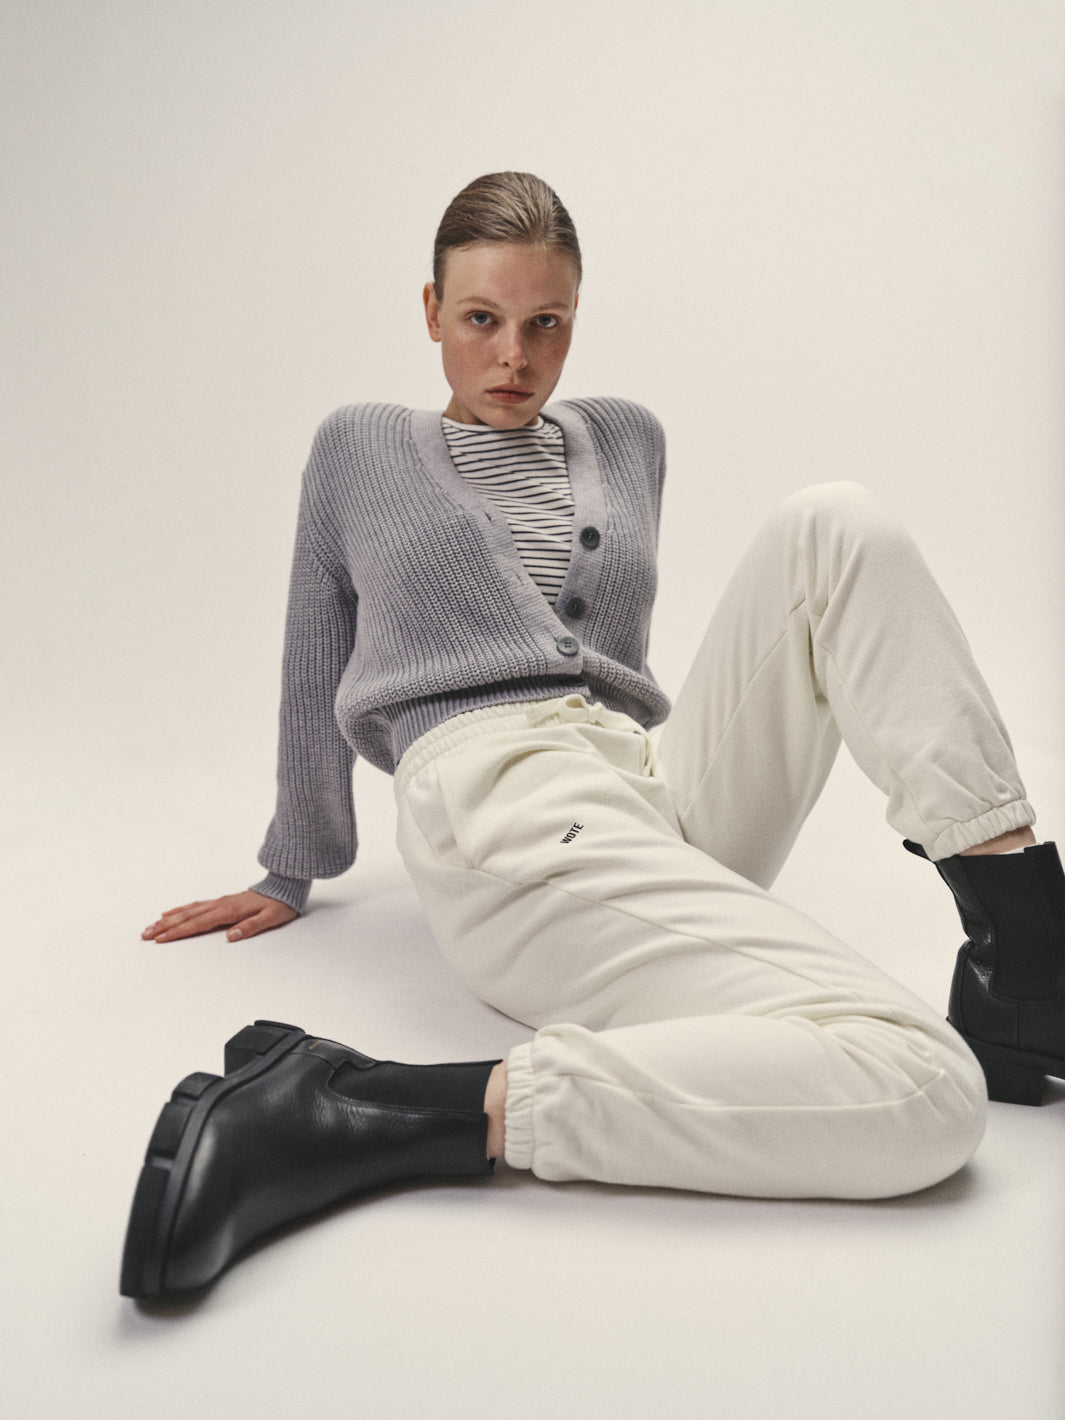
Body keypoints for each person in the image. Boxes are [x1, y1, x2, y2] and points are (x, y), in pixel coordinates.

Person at [123, 172, 1064, 1302]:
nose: (512, 357)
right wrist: (293, 864)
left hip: (637, 782)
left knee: (836, 522)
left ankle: (1028, 961)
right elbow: (312, 646)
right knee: (922, 1084)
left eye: (545, 323)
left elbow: (613, 664)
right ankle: (351, 1103)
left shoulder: (625, 438)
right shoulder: (359, 449)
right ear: (430, 311)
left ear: (575, 318)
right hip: (499, 802)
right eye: (481, 319)